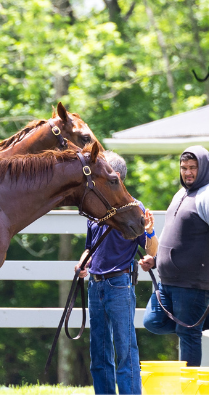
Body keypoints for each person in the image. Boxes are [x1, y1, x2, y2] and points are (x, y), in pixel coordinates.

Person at [142, 146, 209, 365]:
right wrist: (156, 261)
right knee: (152, 321)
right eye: (184, 167)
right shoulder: (182, 194)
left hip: (193, 282)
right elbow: (172, 235)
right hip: (168, 281)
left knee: (188, 334)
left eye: (193, 168)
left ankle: (189, 388)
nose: (187, 172)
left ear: (204, 167)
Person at [77, 150, 158, 395]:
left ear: (117, 179)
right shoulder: (97, 209)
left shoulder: (135, 209)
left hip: (119, 284)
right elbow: (90, 248)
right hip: (96, 284)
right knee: (99, 352)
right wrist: (83, 264)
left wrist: (151, 232)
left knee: (125, 349)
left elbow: (151, 249)